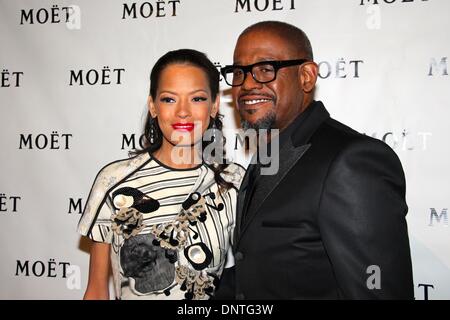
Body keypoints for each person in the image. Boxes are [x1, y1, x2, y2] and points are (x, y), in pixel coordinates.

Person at [216, 21, 414, 299]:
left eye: (265, 69)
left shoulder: (352, 161)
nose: (247, 84)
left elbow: (379, 293)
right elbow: (253, 269)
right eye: (239, 71)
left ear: (306, 76)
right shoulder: (265, 156)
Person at [77, 49, 245, 300]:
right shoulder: (113, 181)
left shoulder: (234, 182)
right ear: (152, 107)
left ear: (214, 105)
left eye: (197, 98)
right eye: (169, 99)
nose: (183, 112)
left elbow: (252, 278)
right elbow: (97, 291)